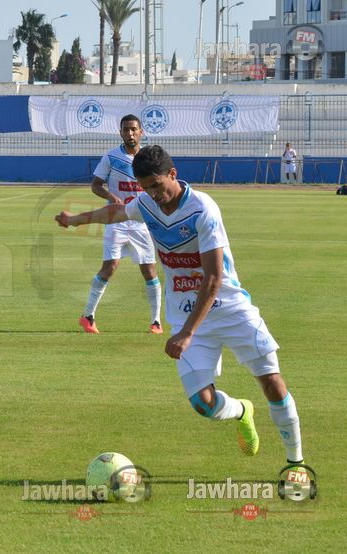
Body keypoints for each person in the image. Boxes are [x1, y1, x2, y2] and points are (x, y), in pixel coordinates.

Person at [55, 145, 304, 467]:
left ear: (173, 174)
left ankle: (296, 463)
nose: (153, 194)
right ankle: (242, 410)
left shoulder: (203, 210)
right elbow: (116, 212)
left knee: (271, 381)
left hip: (230, 308)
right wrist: (76, 220)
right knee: (204, 404)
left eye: (156, 185)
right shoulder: (147, 203)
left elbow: (213, 279)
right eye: (145, 188)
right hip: (187, 314)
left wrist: (186, 333)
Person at [78, 114, 162, 334]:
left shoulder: (148, 158)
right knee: (110, 267)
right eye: (126, 130)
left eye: (134, 129)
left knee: (149, 270)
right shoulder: (111, 157)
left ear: (141, 132)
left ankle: (156, 321)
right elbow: (96, 185)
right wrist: (110, 196)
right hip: (116, 221)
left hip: (141, 223)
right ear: (121, 133)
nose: (130, 133)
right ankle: (88, 316)